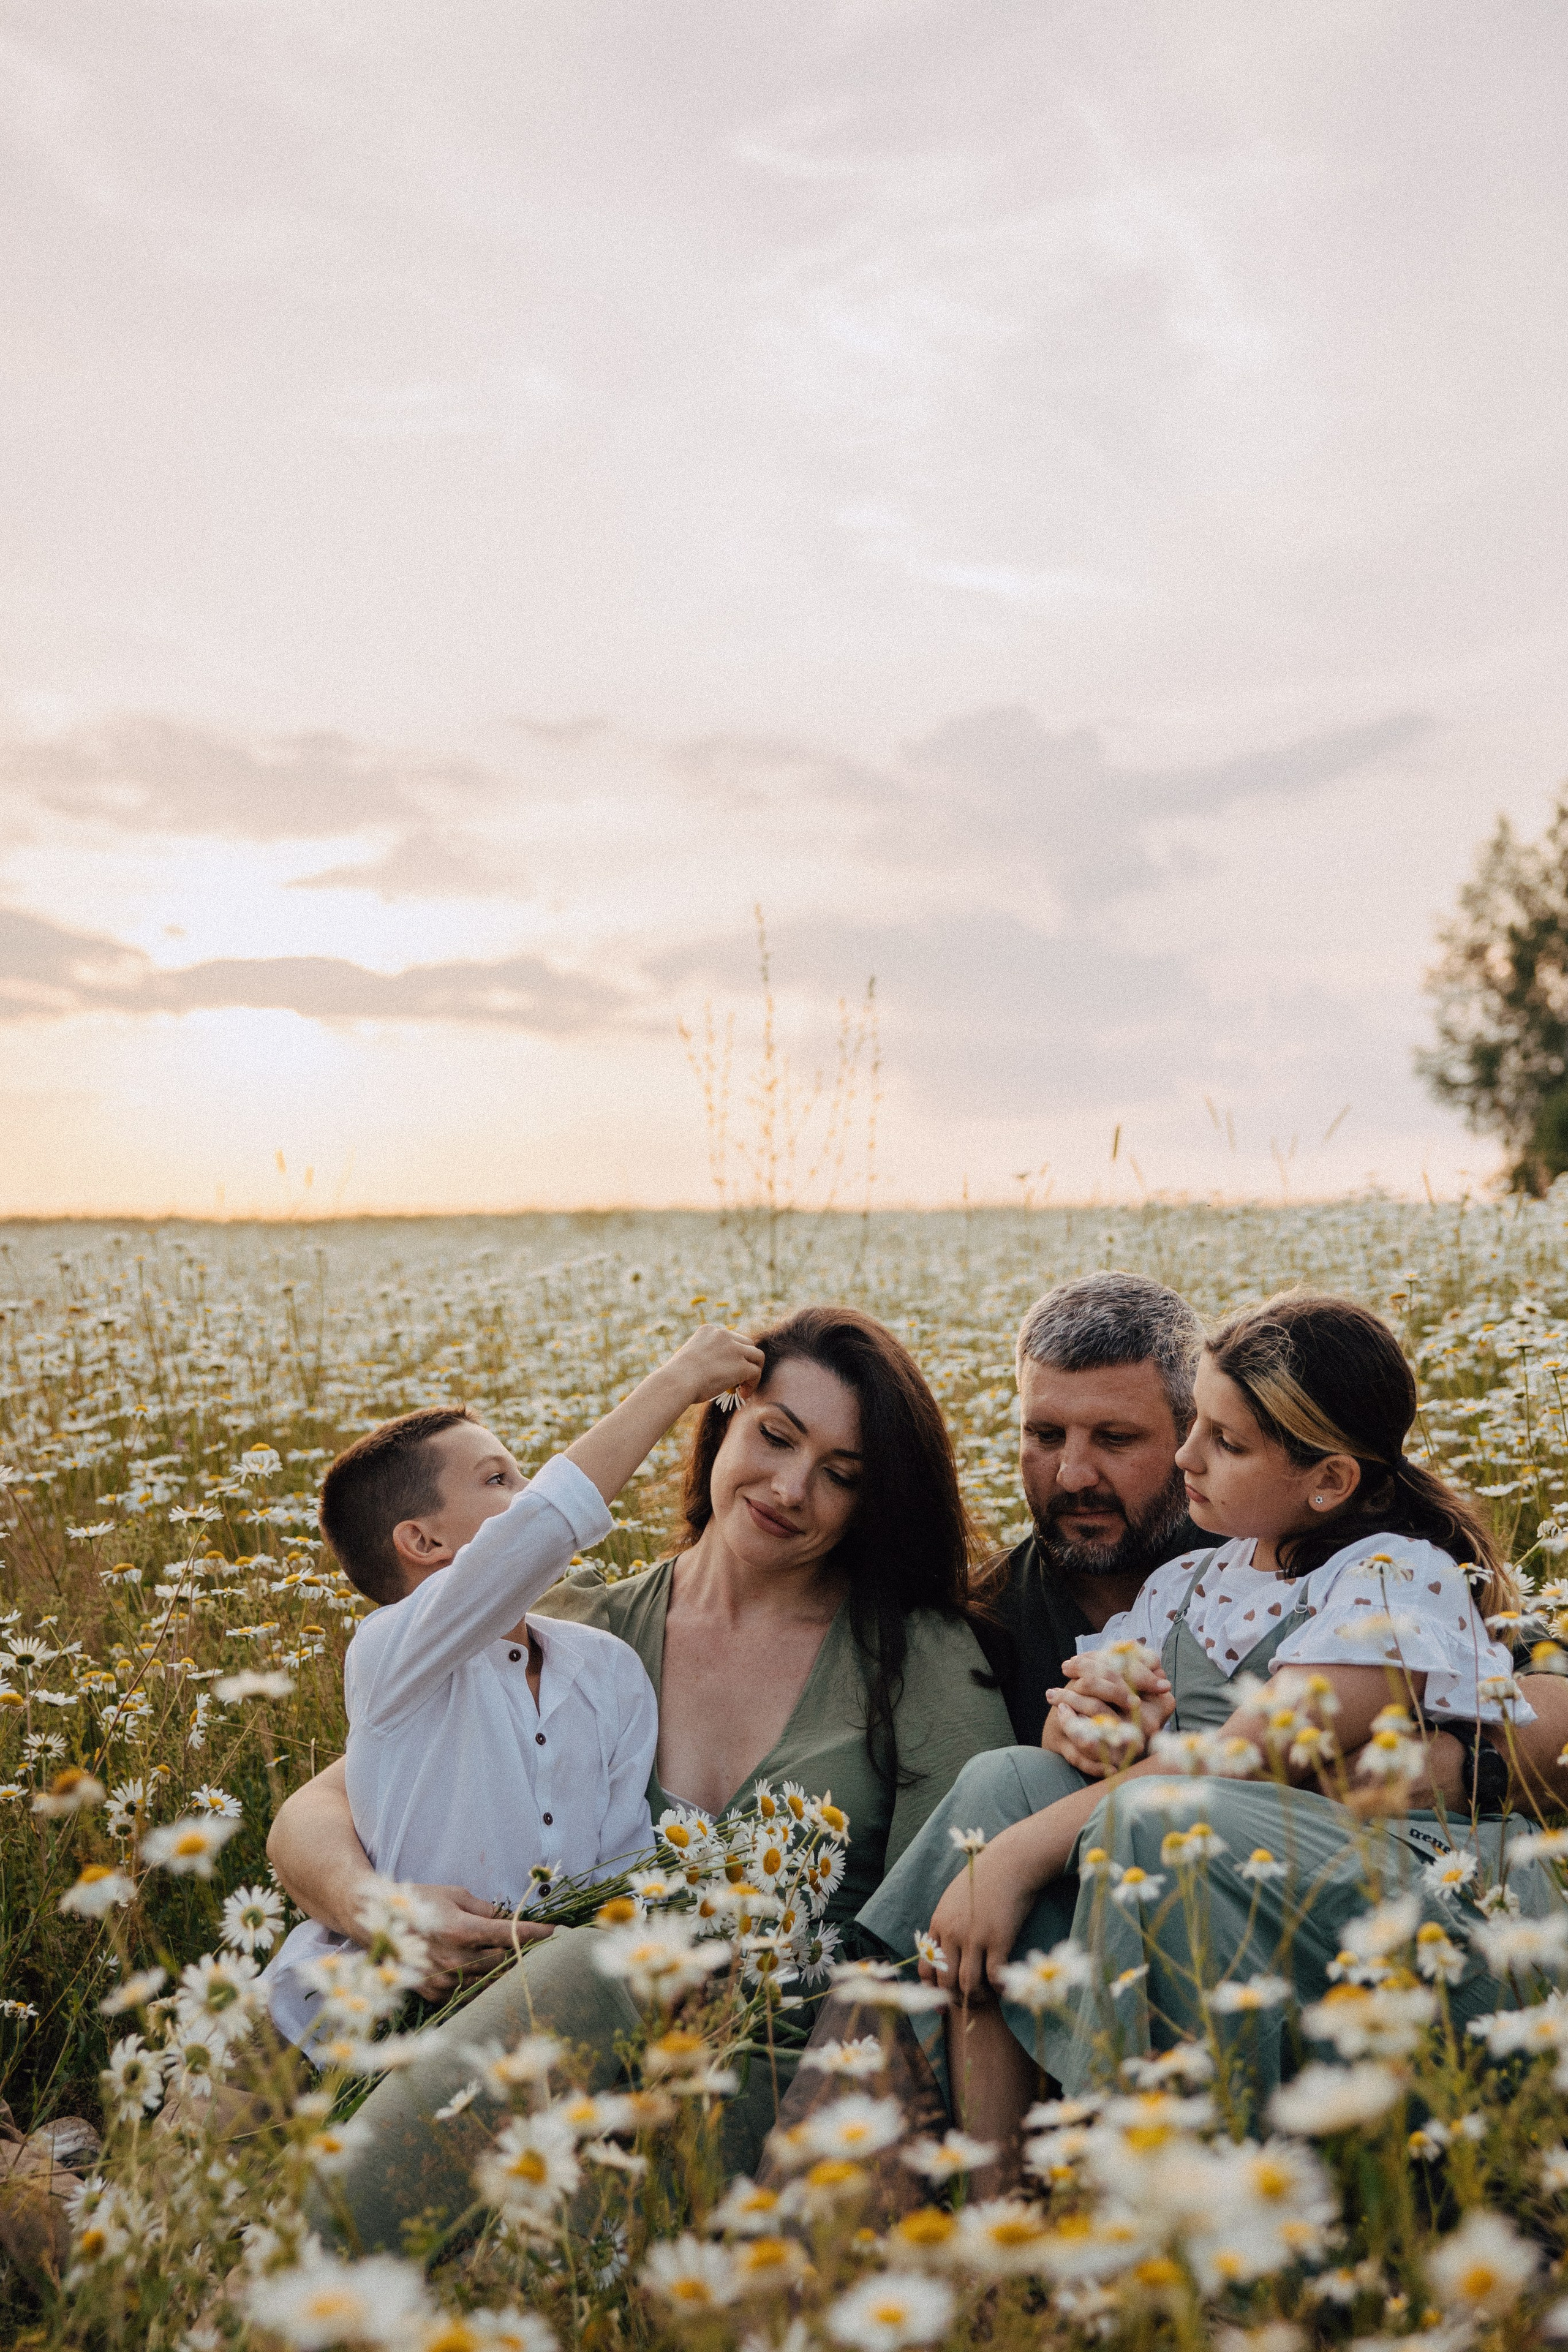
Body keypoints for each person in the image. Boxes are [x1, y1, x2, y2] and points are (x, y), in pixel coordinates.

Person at [266, 1304, 1015, 2250]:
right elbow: (320, 1806)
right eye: (774, 1436)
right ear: (722, 1420)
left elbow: (947, 1944)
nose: (791, 1488)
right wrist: (377, 1907)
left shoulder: (921, 1659)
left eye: (843, 1477)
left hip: (769, 2083)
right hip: (526, 2055)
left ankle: (295, 2257)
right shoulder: (580, 1635)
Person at [866, 1292, 1566, 2175]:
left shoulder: (1398, 1577)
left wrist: (1016, 1857)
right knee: (1002, 1786)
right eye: (1195, 1427)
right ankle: (991, 2200)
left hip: (1421, 1891)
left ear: (1330, 1481)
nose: (1189, 1458)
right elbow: (1110, 1738)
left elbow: (1241, 1760)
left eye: (1226, 1443)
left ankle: (1170, 2206)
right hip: (1246, 1871)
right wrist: (1083, 1725)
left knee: (1138, 1823)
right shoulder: (1192, 1580)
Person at [262, 1325, 764, 2045]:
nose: (527, 1495)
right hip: (327, 2032)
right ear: (424, 1543)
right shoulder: (392, 1656)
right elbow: (541, 1528)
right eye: (500, 1481)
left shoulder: (607, 1667)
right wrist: (681, 1379)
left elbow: (619, 1867)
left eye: (524, 1478)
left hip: (529, 2032)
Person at [971, 1272, 1205, 1747]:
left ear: (1192, 1434)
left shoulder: (1280, 1584)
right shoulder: (973, 1627)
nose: (1073, 1475)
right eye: (1046, 1436)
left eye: (1115, 1438)